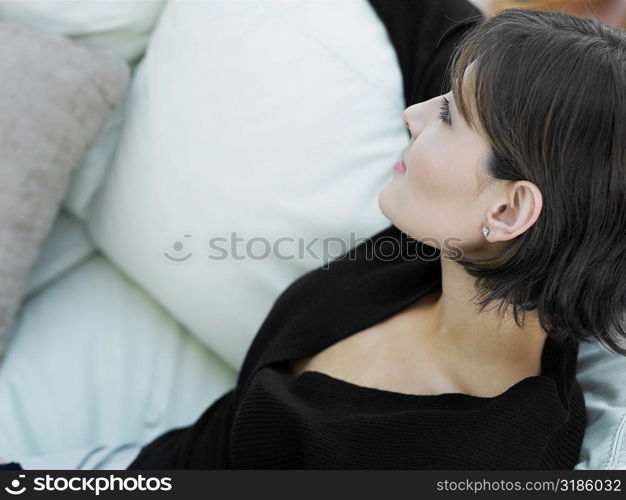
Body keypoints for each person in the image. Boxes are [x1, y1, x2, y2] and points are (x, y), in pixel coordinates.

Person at [3, 0, 625, 470]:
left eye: (446, 116)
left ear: (511, 209)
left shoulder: (478, 460)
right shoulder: (454, 239)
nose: (412, 116)